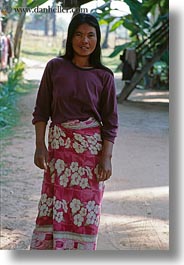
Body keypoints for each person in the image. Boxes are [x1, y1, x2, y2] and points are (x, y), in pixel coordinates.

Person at [30, 13, 118, 250]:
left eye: (91, 35)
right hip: (59, 153)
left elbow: (110, 122)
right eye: (79, 34)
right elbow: (41, 111)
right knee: (54, 201)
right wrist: (40, 146)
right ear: (70, 37)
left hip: (89, 156)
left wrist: (106, 158)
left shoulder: (104, 76)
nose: (84, 41)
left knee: (86, 209)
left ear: (97, 39)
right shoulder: (55, 67)